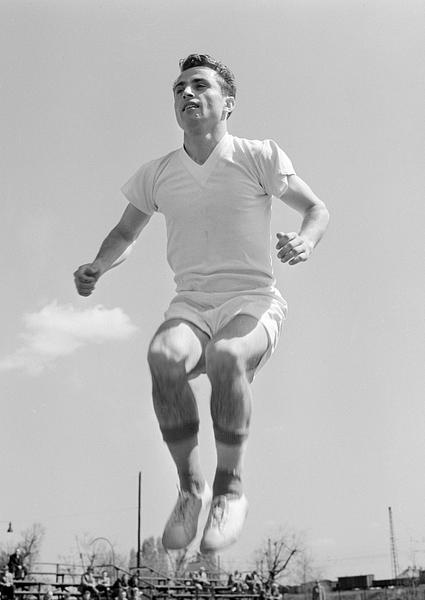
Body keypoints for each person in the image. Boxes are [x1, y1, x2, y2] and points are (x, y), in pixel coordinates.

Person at [74, 53, 329, 553]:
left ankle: (230, 490)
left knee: (226, 356)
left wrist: (306, 240)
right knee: (163, 357)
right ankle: (191, 490)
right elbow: (126, 231)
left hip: (251, 300)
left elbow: (317, 208)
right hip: (192, 304)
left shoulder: (258, 156)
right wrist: (99, 266)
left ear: (228, 103)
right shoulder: (157, 173)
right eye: (178, 89)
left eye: (199, 85)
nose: (186, 94)